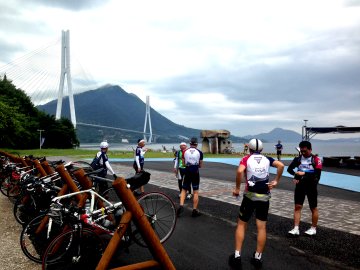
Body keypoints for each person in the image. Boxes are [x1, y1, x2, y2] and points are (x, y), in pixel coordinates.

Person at [229, 138, 284, 269]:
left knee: (242, 224)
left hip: (249, 196)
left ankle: (237, 256)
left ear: (249, 149)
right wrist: (276, 181)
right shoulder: (267, 159)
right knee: (261, 227)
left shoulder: (246, 159)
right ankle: (258, 257)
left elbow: (239, 171)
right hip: (264, 197)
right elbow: (281, 165)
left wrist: (237, 188)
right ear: (262, 149)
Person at [287, 140, 322, 237]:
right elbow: (289, 169)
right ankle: (296, 228)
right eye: (301, 151)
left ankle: (313, 228)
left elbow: (317, 176)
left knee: (313, 207)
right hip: (300, 186)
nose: (303, 153)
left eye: (305, 151)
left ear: (310, 150)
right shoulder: (298, 159)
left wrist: (304, 174)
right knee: (297, 207)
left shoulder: (316, 160)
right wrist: (296, 176)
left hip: (311, 186)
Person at [176, 137, 203, 217]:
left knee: (184, 189)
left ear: (190, 144)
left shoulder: (185, 151)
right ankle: (194, 210)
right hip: (195, 172)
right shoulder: (200, 152)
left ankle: (181, 206)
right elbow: (200, 165)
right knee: (195, 191)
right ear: (197, 144)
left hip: (187, 170)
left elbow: (183, 163)